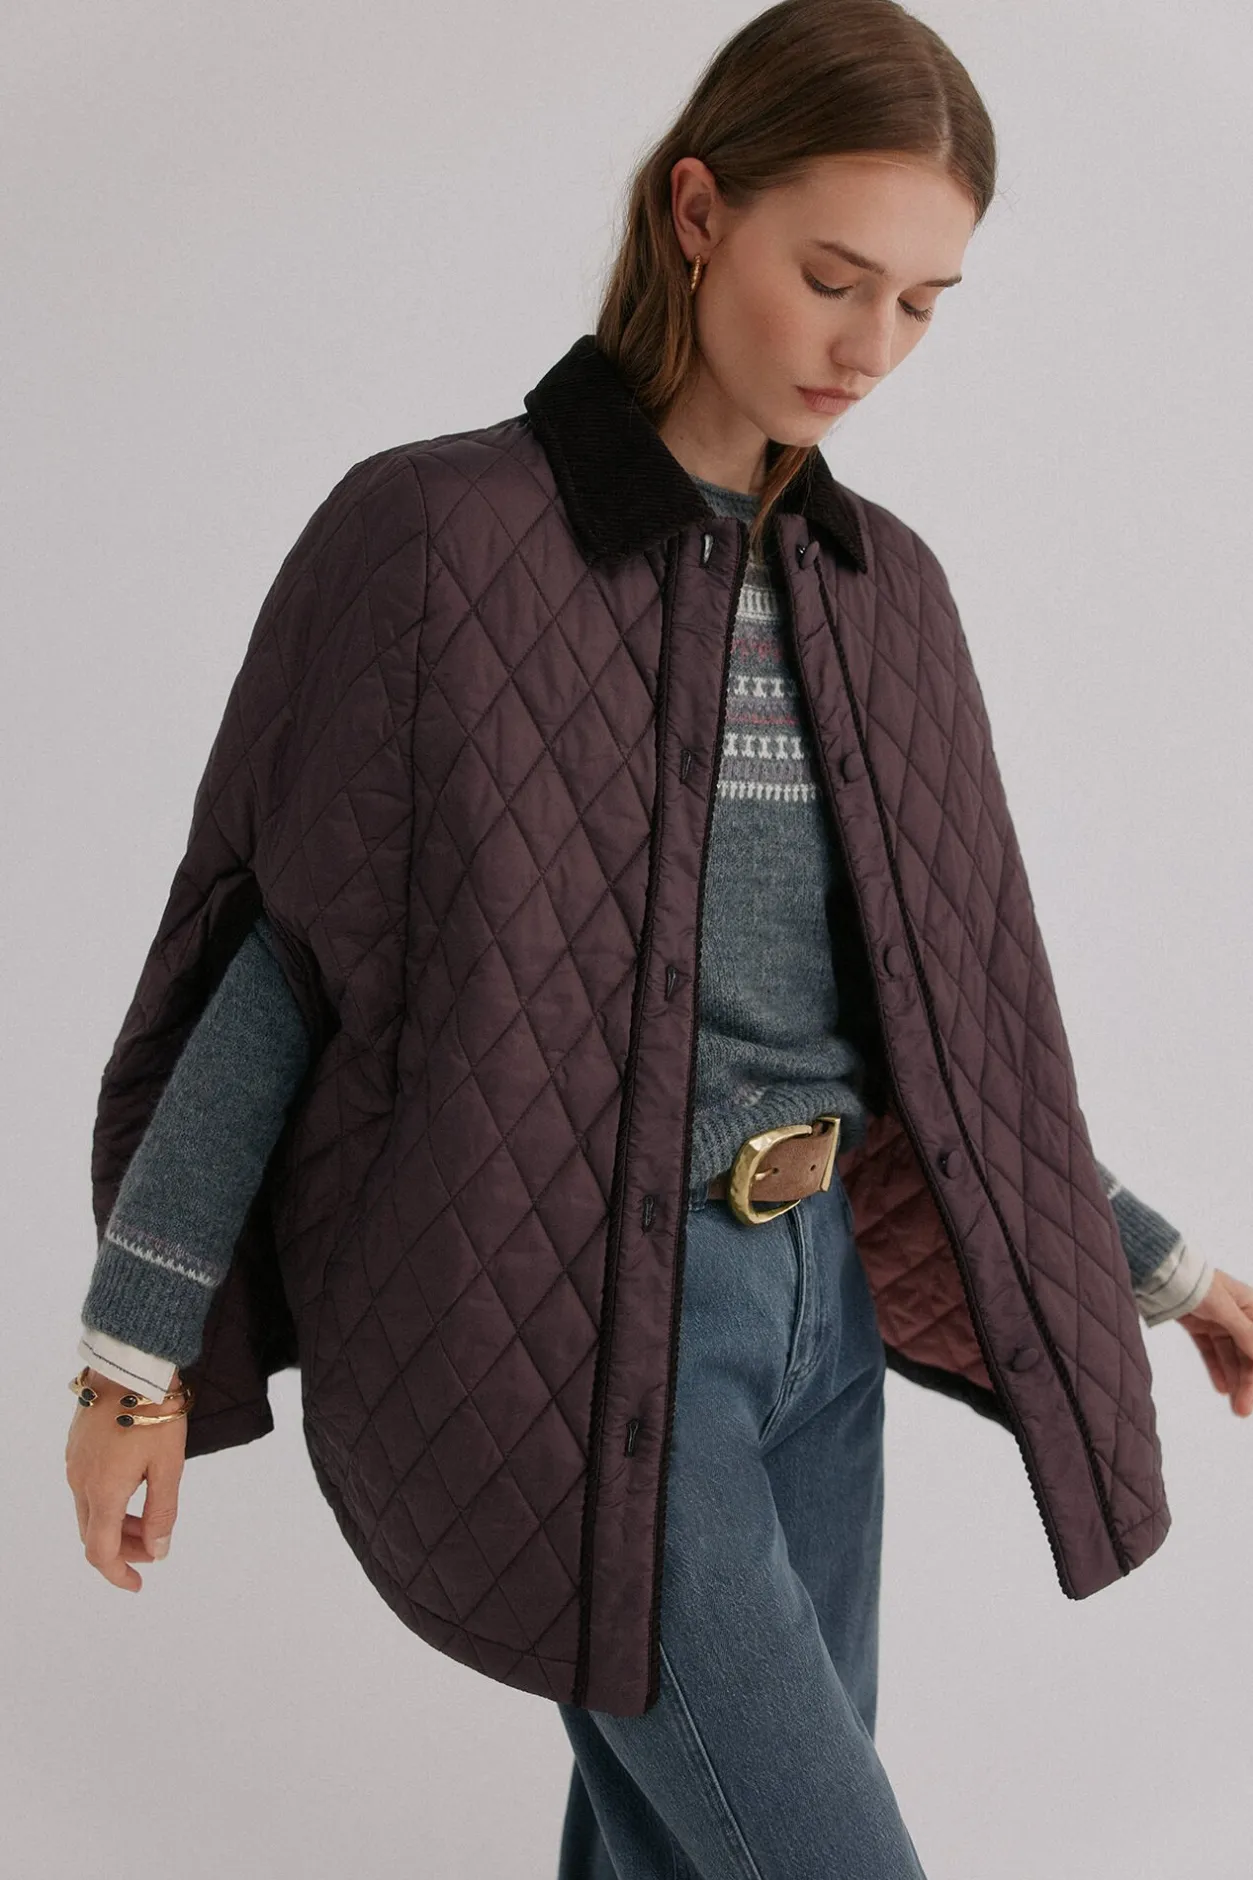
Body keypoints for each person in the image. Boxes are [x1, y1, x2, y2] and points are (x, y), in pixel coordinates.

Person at [65, 2, 1253, 1874]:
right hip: (588, 1331)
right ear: (698, 213)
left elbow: (947, 1054)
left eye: (923, 303)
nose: (871, 349)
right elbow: (282, 972)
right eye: (833, 278)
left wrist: (1171, 1276)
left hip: (825, 1333)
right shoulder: (434, 541)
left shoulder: (887, 598)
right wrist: (134, 1360)